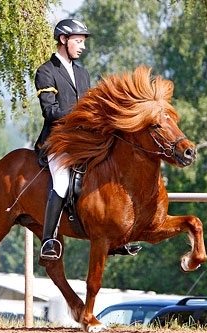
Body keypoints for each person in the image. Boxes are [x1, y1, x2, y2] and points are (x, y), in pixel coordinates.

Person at [35, 19, 141, 260]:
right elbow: (50, 112)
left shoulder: (83, 74)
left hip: (84, 141)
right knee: (62, 183)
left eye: (83, 42)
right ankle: (49, 240)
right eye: (78, 41)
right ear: (64, 40)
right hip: (57, 142)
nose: (82, 46)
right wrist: (84, 114)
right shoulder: (46, 71)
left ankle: (113, 237)